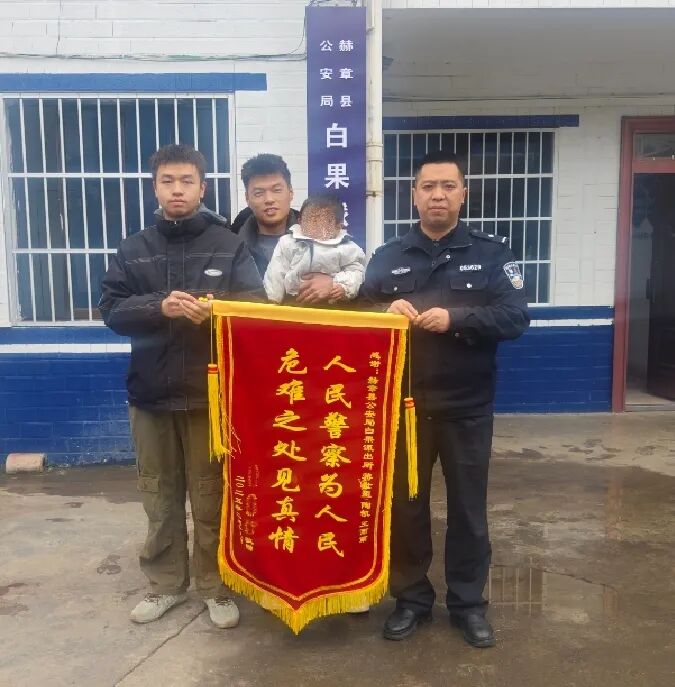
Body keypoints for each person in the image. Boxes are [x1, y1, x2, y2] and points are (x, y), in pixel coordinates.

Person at [361, 150, 530, 647]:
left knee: (468, 511)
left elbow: (515, 317)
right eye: (428, 186)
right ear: (413, 195)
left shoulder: (494, 254)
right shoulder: (388, 256)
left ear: (463, 194)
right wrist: (381, 310)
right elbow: (358, 314)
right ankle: (411, 600)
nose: (438, 195)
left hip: (466, 407)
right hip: (404, 409)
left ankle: (468, 604)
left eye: (448, 186)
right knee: (406, 509)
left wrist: (456, 318)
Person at [99, 144, 264, 629]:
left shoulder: (228, 245)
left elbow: (255, 308)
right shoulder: (134, 248)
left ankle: (216, 587)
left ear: (202, 187)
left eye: (186, 181)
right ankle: (166, 585)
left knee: (212, 496)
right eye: (167, 181)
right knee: (159, 494)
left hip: (209, 398)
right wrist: (159, 307)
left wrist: (215, 311)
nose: (177, 189)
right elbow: (112, 311)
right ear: (155, 188)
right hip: (150, 394)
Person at [239, 153, 337, 304]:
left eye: (277, 190)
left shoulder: (324, 235)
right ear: (247, 198)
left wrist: (334, 283)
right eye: (259, 193)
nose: (269, 199)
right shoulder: (232, 245)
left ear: (291, 192)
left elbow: (355, 273)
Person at [263, 193, 365, 304]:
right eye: (310, 220)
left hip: (331, 302)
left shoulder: (348, 248)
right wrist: (273, 299)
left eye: (325, 221)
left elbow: (356, 272)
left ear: (338, 226)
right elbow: (276, 272)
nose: (316, 226)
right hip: (293, 299)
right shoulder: (288, 242)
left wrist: (342, 286)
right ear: (300, 221)